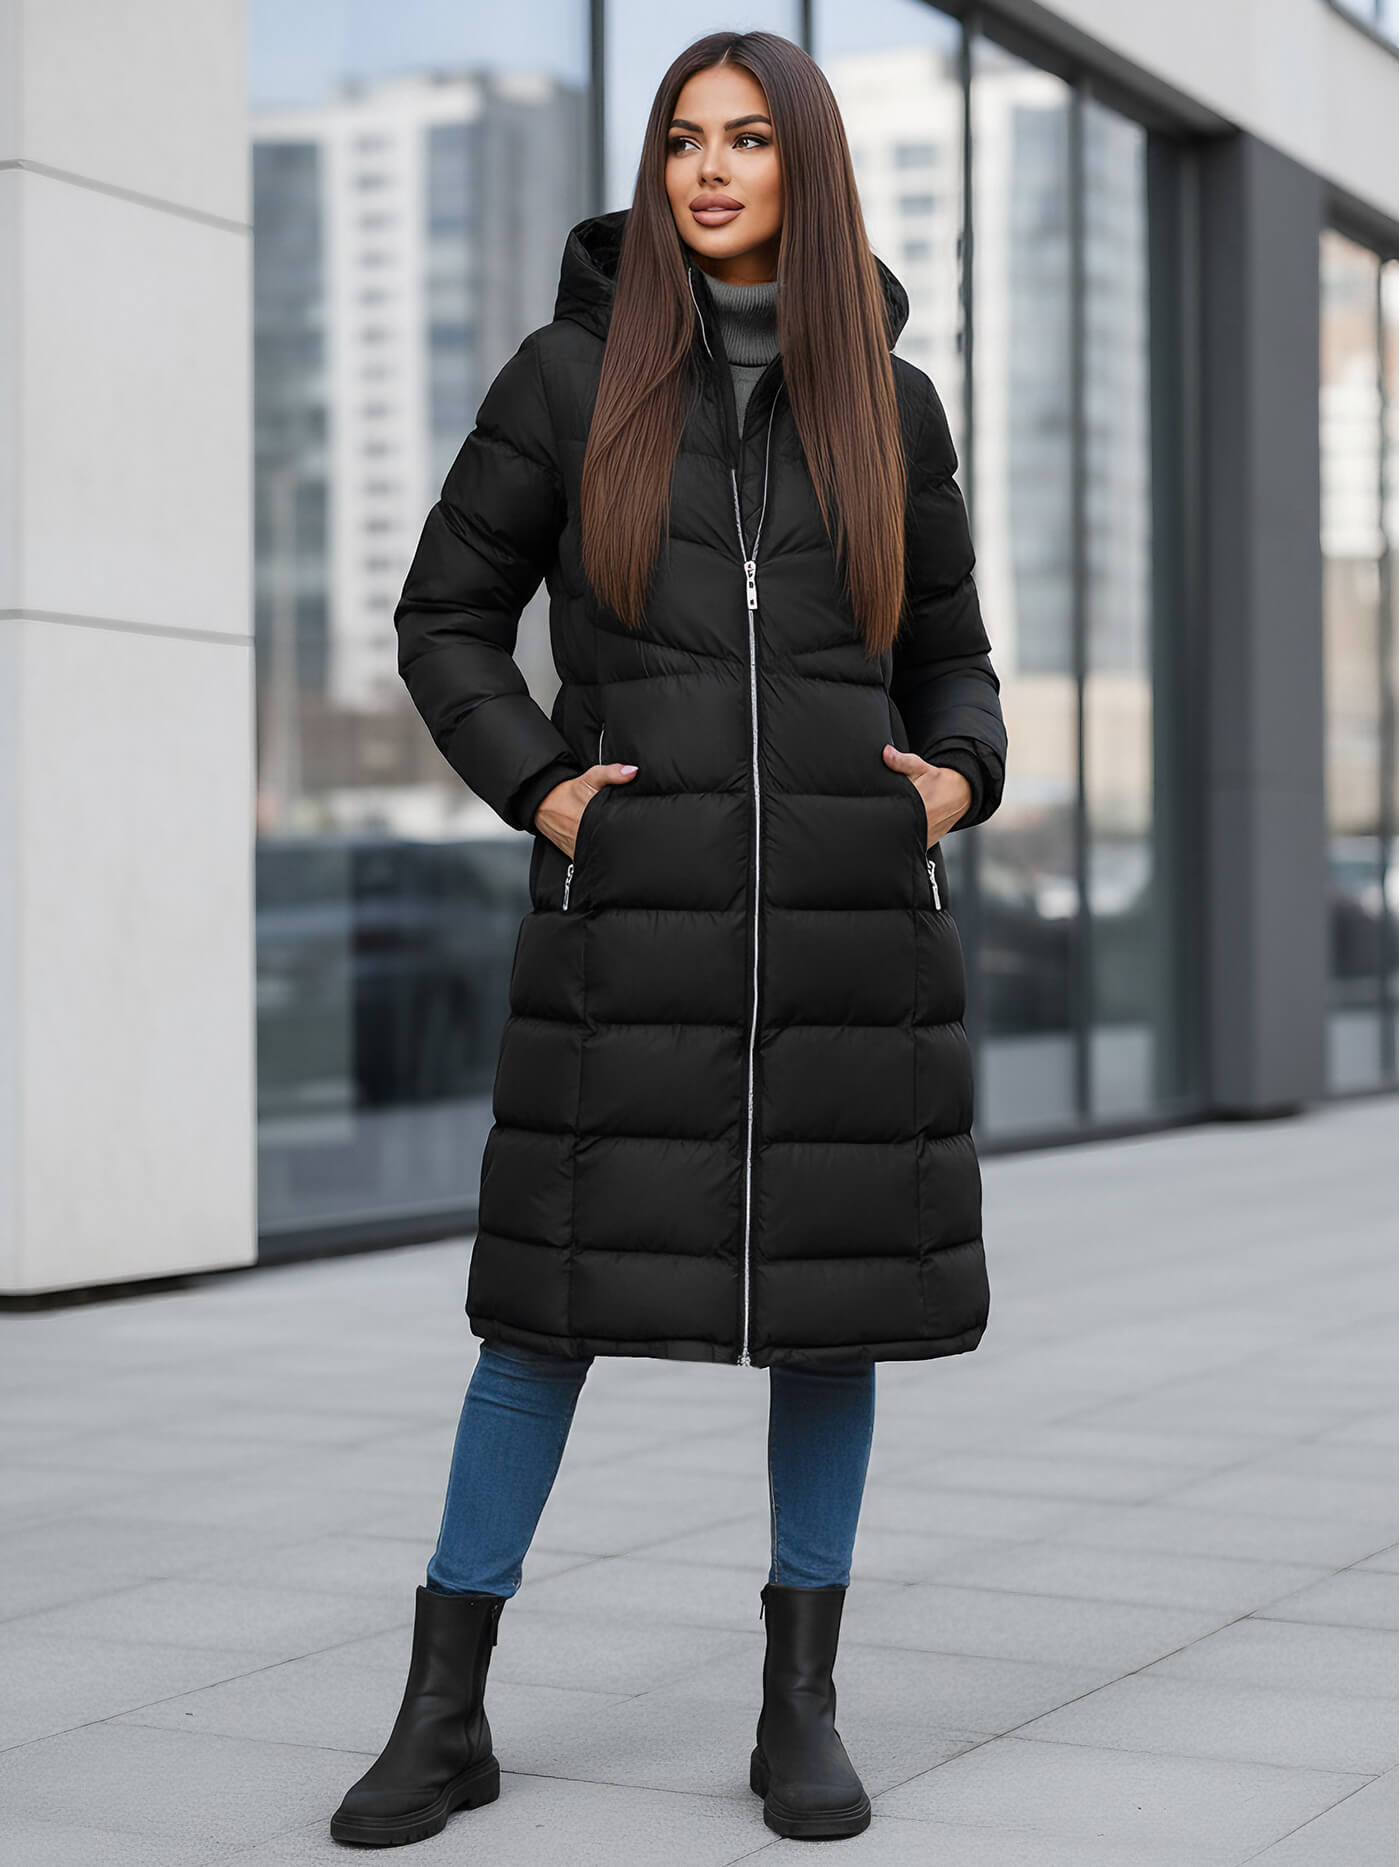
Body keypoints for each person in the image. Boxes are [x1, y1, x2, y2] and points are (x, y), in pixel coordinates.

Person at [330, 28, 1005, 1851]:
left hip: (849, 941)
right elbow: (445, 617)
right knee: (539, 1318)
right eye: (685, 139)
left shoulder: (895, 408)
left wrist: (952, 783)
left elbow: (953, 658)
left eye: (748, 140)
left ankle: (801, 1707)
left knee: (832, 1323)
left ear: (807, 167)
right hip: (627, 936)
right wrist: (542, 788)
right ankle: (444, 1714)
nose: (710, 170)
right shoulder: (570, 380)